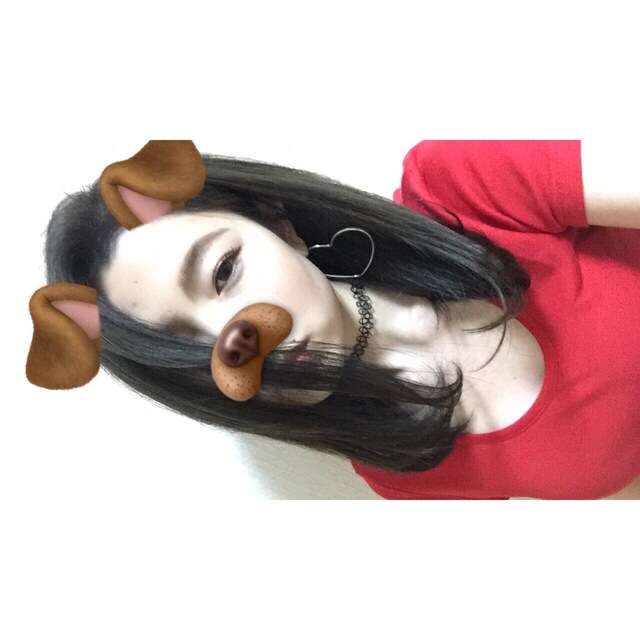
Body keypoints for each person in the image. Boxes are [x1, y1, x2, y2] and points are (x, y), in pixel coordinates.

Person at [27, 140, 640, 499]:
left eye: (223, 272)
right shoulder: (399, 463)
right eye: (186, 345)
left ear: (277, 222)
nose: (235, 344)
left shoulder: (458, 184)